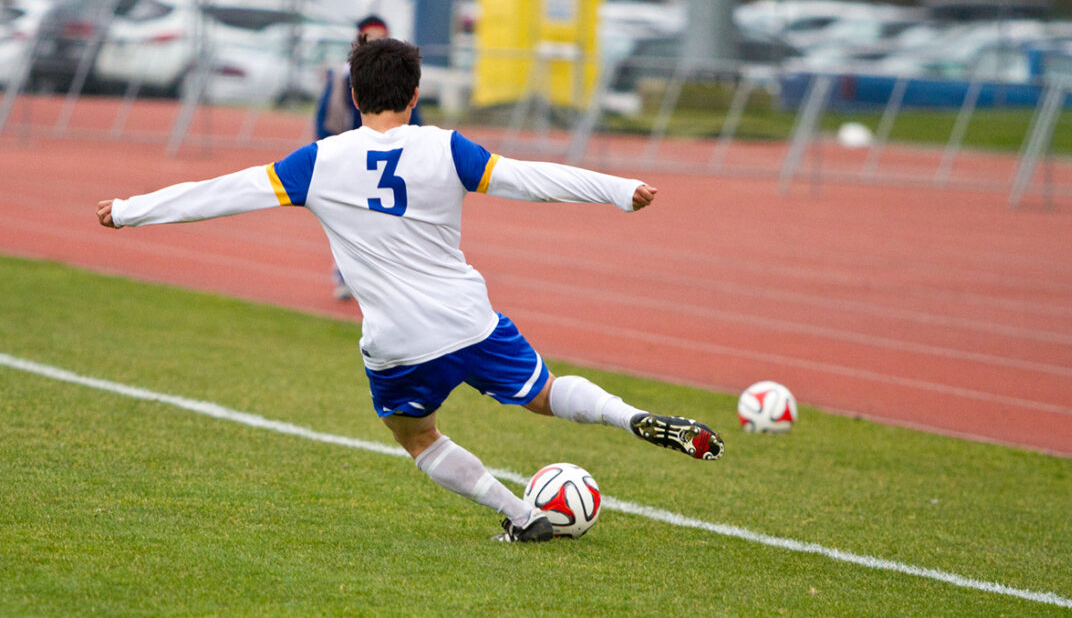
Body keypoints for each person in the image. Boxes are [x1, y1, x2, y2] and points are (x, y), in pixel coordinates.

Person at [96, 36, 724, 543]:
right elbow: (532, 179)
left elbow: (222, 192)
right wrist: (618, 190)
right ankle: (631, 416)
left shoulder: (319, 161)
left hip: (396, 342)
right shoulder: (446, 148)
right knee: (546, 393)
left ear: (352, 93)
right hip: (469, 322)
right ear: (416, 94)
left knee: (417, 436)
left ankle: (521, 513)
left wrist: (128, 209)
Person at [316, 14, 423, 300]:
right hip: (353, 153)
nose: (377, 41)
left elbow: (416, 116)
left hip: (391, 154)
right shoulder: (343, 75)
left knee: (389, 217)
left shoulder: (400, 73)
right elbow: (327, 115)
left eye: (382, 36)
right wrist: (329, 151)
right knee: (349, 218)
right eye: (371, 36)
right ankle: (344, 272)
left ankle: (388, 276)